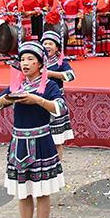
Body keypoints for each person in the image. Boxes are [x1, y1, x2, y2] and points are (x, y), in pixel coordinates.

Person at [0, 41, 67, 218]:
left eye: (30, 59)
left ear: (40, 64)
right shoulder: (16, 85)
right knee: (23, 192)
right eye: (23, 59)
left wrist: (37, 100)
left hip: (41, 142)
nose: (25, 63)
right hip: (19, 143)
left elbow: (60, 107)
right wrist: (6, 99)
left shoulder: (48, 85)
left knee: (41, 191)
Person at [40, 31, 76, 160]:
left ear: (56, 48)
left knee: (57, 137)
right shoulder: (37, 61)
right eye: (44, 43)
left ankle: (57, 164)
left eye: (50, 43)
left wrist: (50, 74)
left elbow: (71, 76)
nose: (47, 46)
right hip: (39, 101)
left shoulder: (60, 62)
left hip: (55, 101)